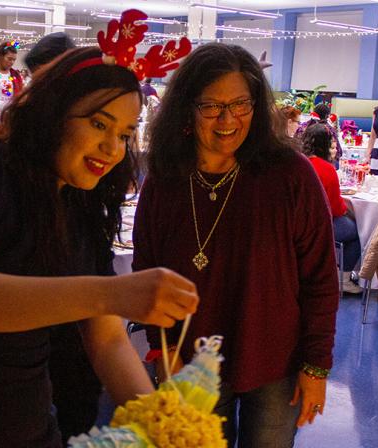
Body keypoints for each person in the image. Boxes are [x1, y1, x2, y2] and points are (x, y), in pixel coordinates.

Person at [0, 45, 199, 447]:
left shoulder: (79, 205)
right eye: (99, 124)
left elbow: (108, 339)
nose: (113, 149)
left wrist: (162, 422)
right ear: (53, 111)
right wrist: (111, 293)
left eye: (125, 134)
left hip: (24, 418)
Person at [136, 42, 338, 447]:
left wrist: (316, 367)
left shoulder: (290, 175)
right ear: (187, 109)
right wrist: (163, 349)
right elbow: (148, 272)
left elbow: (320, 277)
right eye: (211, 106)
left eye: (241, 104)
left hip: (275, 361)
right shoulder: (167, 177)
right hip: (190, 360)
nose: (227, 119)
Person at [303, 123, 362, 294]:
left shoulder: (301, 164)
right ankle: (343, 280)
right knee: (357, 233)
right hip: (320, 226)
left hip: (299, 225)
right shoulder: (328, 169)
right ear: (325, 145)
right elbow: (336, 209)